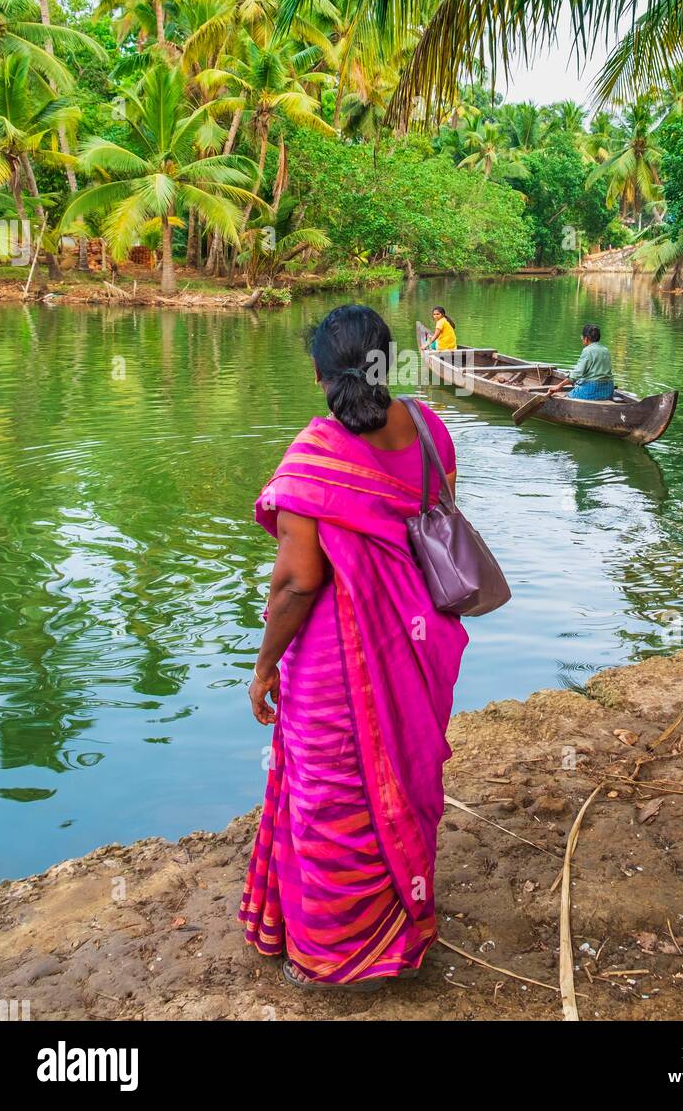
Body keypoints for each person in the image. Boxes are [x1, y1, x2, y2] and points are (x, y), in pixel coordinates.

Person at [239, 304, 468, 989]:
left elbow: (297, 583)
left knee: (333, 797)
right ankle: (402, 926)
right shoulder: (431, 430)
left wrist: (262, 667)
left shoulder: (314, 457)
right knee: (400, 778)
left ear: (317, 374)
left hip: (338, 664)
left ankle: (334, 955)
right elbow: (439, 525)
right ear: (390, 360)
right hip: (418, 645)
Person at [550, 322, 615, 400]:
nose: (582, 339)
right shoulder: (605, 350)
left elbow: (577, 374)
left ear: (586, 338)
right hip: (608, 389)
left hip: (592, 389)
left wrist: (559, 386)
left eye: (582, 337)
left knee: (567, 396)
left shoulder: (587, 350)